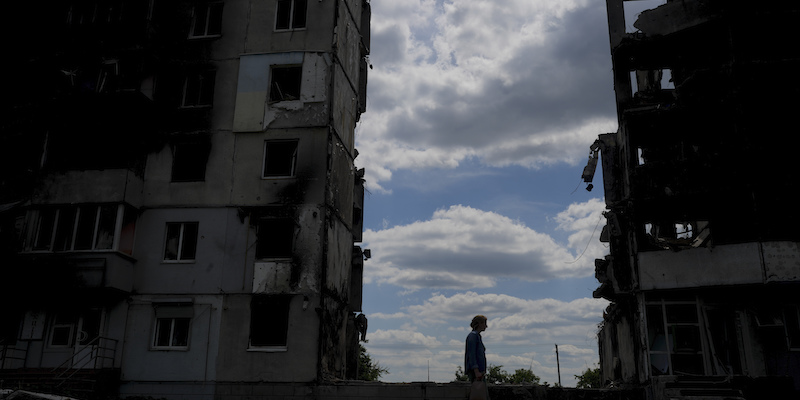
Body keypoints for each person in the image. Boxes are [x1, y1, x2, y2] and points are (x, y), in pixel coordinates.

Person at [464, 315, 487, 382]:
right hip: (475, 372)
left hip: (480, 371)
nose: (486, 326)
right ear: (479, 324)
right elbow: (472, 354)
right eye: (484, 323)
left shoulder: (477, 336)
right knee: (477, 391)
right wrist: (476, 371)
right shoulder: (473, 336)